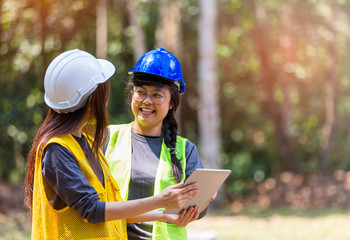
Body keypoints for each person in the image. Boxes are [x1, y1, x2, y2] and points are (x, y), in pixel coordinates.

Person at [24, 49, 199, 240]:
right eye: (104, 94)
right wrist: (160, 200)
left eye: (157, 95)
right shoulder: (57, 150)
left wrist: (164, 215)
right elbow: (92, 209)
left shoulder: (86, 144)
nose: (106, 102)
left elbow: (111, 206)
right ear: (92, 100)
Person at [105, 48, 215, 240]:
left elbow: (199, 210)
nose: (147, 101)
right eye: (140, 92)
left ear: (172, 102)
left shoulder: (185, 150)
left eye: (157, 95)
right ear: (132, 94)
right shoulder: (108, 137)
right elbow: (92, 205)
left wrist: (204, 201)